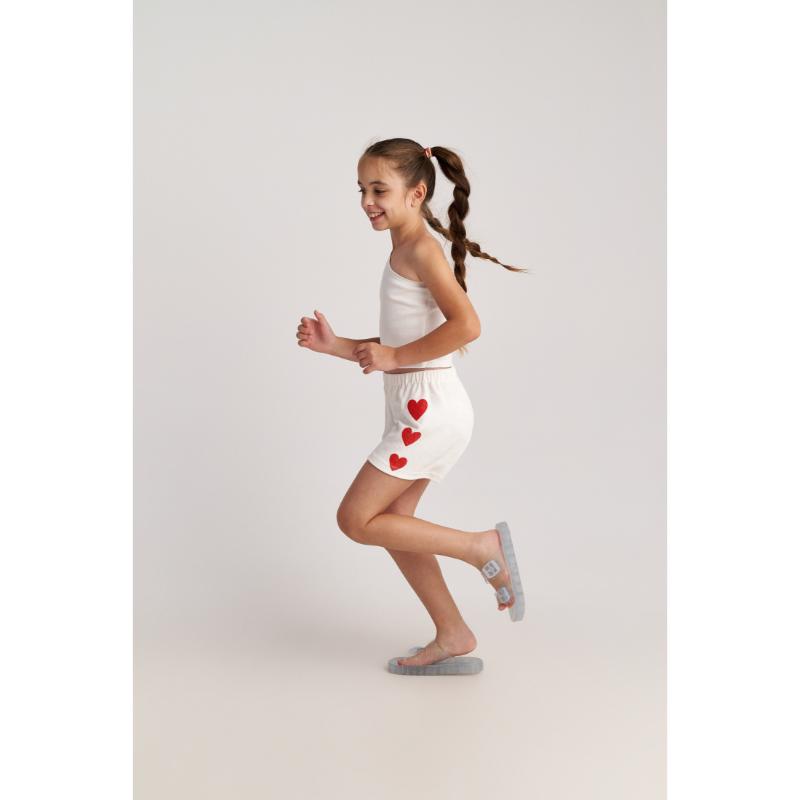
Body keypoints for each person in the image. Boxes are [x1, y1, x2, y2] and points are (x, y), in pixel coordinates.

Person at [296, 138, 528, 670]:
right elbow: (395, 347)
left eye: (379, 190)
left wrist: (394, 355)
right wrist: (335, 346)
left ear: (416, 193)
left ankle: (480, 547)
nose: (366, 201)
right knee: (396, 523)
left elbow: (467, 325)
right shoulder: (403, 250)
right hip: (417, 409)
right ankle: (453, 634)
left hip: (430, 413)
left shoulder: (421, 249)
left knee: (355, 519)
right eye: (361, 189)